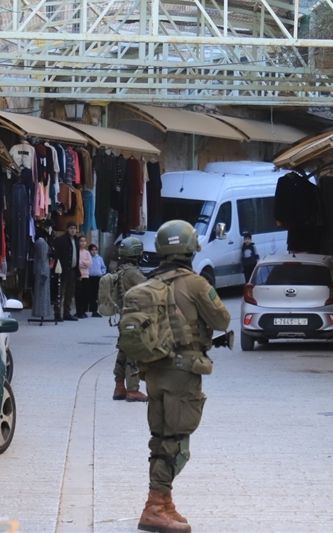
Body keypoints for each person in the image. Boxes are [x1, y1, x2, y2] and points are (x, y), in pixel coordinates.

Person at [135, 220, 231, 533]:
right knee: (176, 441)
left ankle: (164, 501)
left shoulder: (147, 283)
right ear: (190, 249)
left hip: (153, 371)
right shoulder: (197, 283)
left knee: (160, 438)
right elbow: (222, 319)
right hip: (183, 373)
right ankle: (153, 506)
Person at [110, 236, 148, 402]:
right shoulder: (133, 273)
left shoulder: (120, 270)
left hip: (123, 317)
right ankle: (133, 389)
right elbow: (149, 290)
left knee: (123, 351)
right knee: (134, 352)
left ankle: (119, 387)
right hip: (134, 318)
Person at [51, 221, 81, 321]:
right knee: (60, 292)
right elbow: (56, 255)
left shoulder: (76, 240)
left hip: (73, 270)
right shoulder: (61, 240)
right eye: (71, 228)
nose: (73, 230)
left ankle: (67, 313)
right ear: (67, 229)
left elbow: (77, 256)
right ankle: (57, 313)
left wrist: (78, 271)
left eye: (74, 228)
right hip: (62, 270)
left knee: (70, 293)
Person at [31, 221, 54, 321]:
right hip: (43, 268)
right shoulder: (41, 242)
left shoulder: (39, 242)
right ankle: (41, 311)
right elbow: (43, 256)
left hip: (41, 267)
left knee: (42, 292)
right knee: (42, 292)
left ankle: (41, 311)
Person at [75, 236, 93, 319]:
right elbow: (76, 263)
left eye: (84, 241)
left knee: (85, 294)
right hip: (78, 275)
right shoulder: (76, 251)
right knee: (78, 294)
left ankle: (84, 311)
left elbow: (90, 263)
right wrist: (83, 263)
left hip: (86, 275)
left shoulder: (87, 253)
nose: (83, 242)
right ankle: (79, 311)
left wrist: (82, 262)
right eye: (81, 241)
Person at [87, 243, 106, 317]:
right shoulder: (88, 258)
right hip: (89, 277)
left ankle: (95, 310)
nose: (94, 252)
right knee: (89, 294)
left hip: (97, 277)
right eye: (92, 250)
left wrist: (102, 273)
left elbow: (103, 267)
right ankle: (88, 309)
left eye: (95, 250)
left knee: (96, 294)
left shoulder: (99, 258)